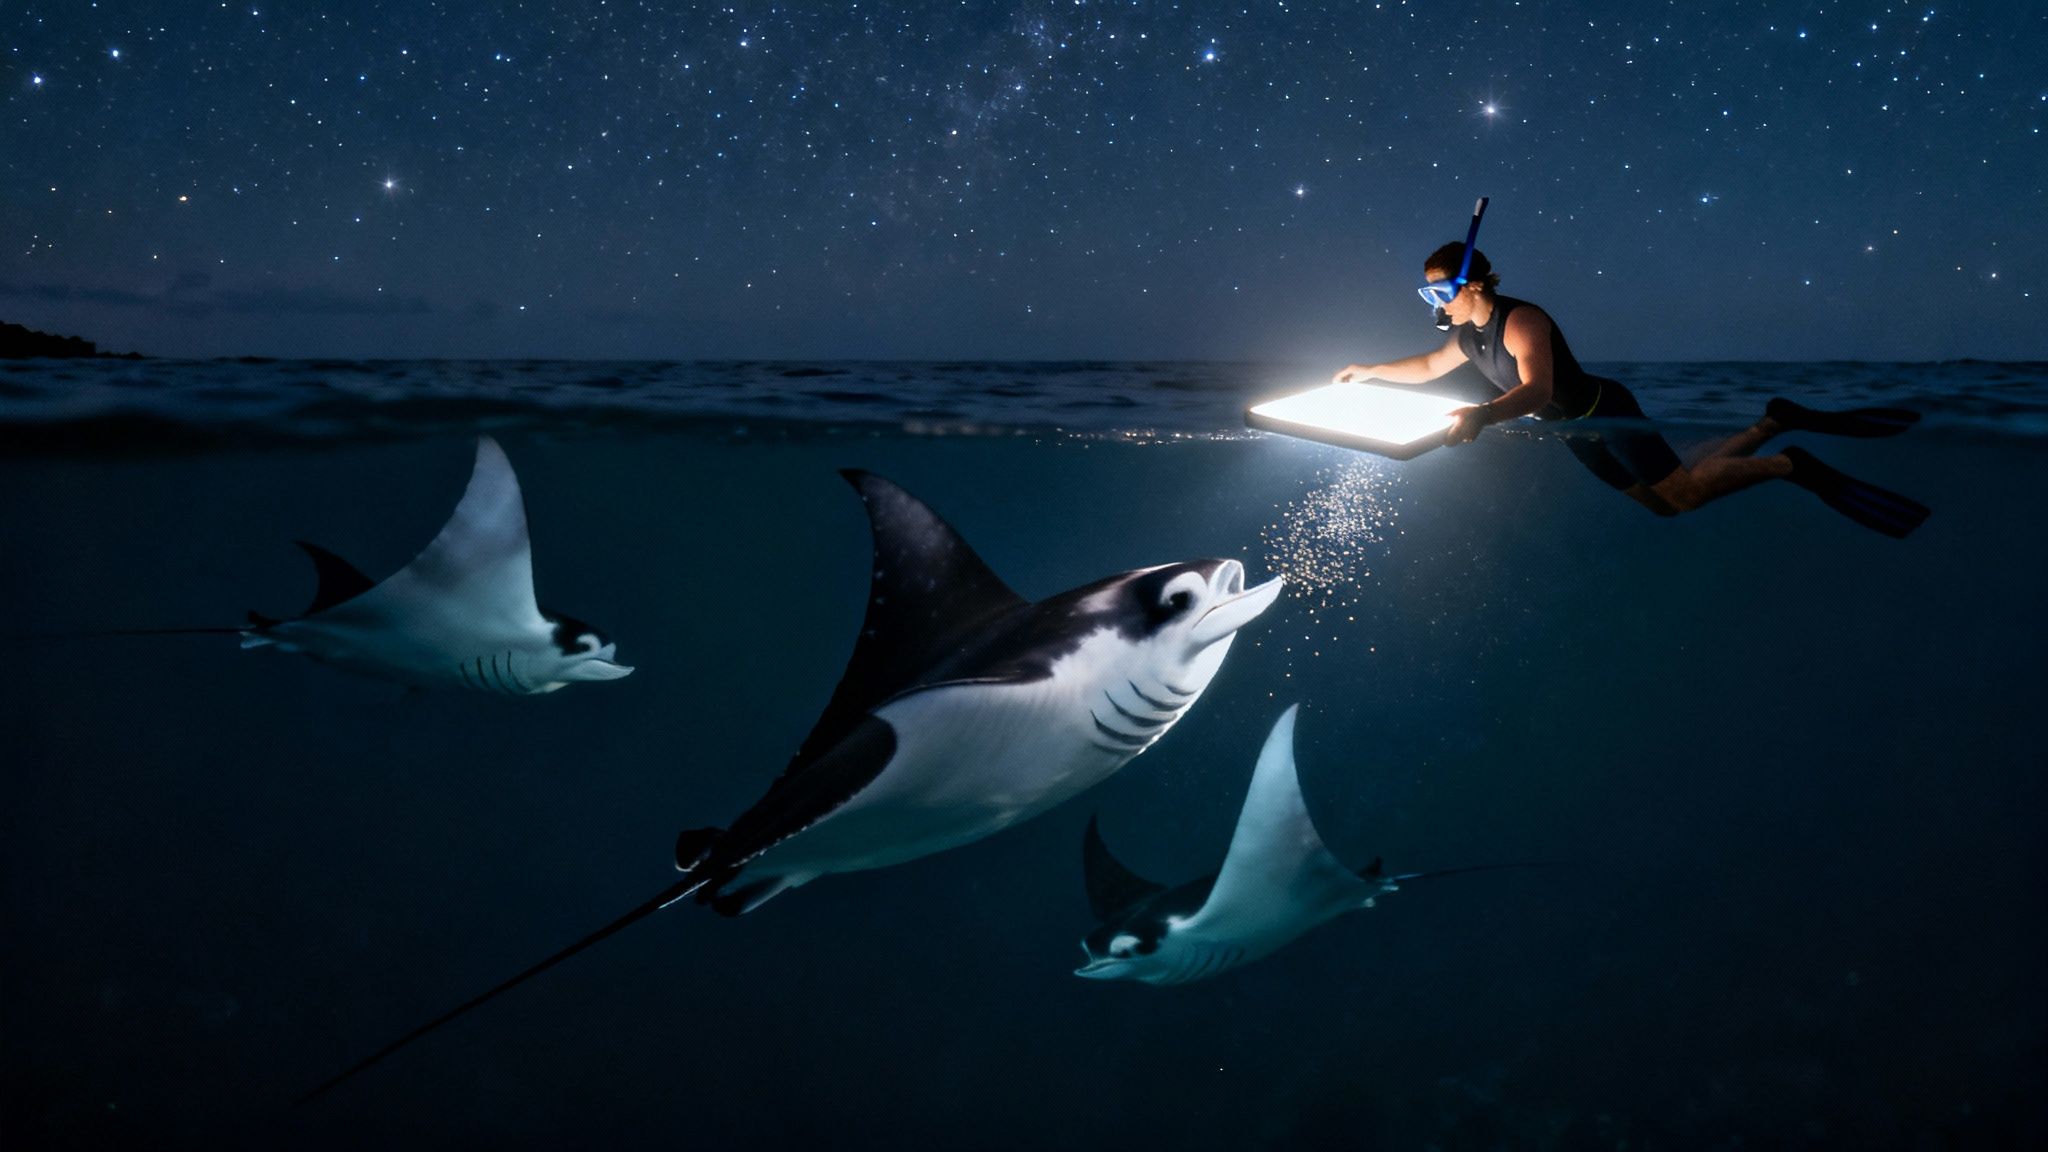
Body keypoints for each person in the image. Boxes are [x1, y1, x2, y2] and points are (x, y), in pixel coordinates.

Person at [1333, 242, 1930, 538]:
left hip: (1604, 413)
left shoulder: (1521, 321)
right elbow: (1427, 366)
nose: (1435, 305)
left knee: (1687, 496)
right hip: (1574, 435)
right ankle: (1770, 422)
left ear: (1473, 286)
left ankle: (1786, 462)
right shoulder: (1465, 335)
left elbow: (1538, 390)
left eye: (1441, 292)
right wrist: (1370, 370)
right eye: (1428, 295)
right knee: (1663, 504)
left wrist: (1484, 414)